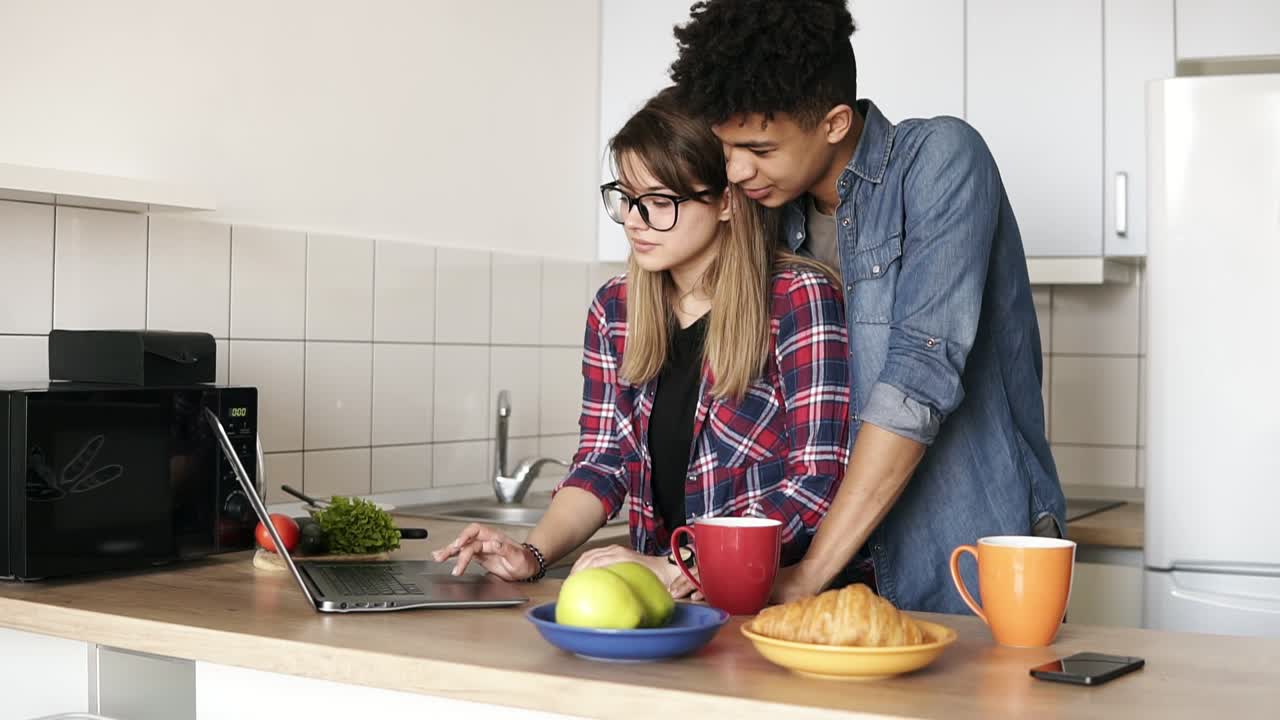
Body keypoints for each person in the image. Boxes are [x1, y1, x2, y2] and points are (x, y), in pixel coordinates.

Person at [668, 0, 1067, 612]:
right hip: (836, 574)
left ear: (832, 124)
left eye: (760, 149)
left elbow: (918, 380)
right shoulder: (771, 216)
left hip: (964, 559)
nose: (739, 170)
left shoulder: (940, 160)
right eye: (727, 150)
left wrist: (808, 576)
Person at [433, 88, 851, 592]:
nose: (635, 220)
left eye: (659, 202)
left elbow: (817, 483)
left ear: (725, 201)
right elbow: (601, 464)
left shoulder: (799, 299)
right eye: (628, 198)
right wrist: (532, 554)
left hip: (771, 603)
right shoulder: (616, 309)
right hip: (663, 600)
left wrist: (687, 562)